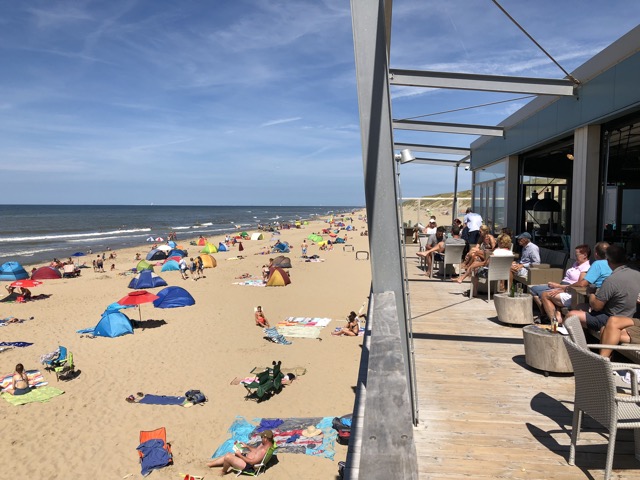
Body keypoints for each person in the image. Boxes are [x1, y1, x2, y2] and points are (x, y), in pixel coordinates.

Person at [567, 244, 640, 330]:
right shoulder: (637, 273)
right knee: (581, 306)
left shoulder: (611, 280)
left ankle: (577, 341)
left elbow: (597, 306)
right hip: (633, 317)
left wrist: (591, 294)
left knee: (571, 316)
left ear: (608, 261)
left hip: (613, 318)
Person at [538, 243, 611, 323]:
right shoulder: (613, 264)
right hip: (608, 300)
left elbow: (582, 284)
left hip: (596, 299)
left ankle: (554, 322)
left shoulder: (597, 264)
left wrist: (565, 288)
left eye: (577, 255)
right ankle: (558, 317)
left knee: (545, 295)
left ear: (596, 254)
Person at [530, 244, 592, 319]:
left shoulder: (586, 267)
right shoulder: (576, 263)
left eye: (577, 255)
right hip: (563, 285)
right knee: (534, 289)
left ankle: (553, 319)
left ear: (585, 255)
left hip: (569, 290)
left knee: (544, 294)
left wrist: (560, 287)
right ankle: (554, 312)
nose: (575, 257)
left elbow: (580, 285)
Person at [206, 430, 275, 474]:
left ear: (265, 439)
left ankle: (223, 472)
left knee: (228, 457)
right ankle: (210, 464)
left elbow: (252, 462)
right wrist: (247, 446)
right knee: (232, 454)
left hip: (249, 466)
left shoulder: (263, 451)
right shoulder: (267, 444)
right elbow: (256, 451)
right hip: (248, 459)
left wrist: (240, 455)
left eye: (262, 437)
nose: (261, 438)